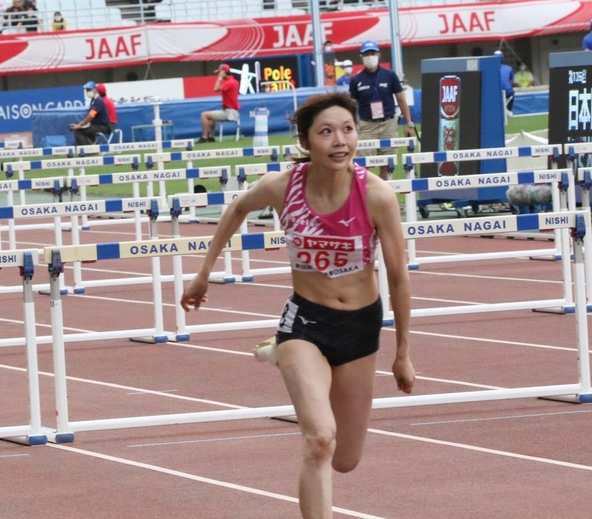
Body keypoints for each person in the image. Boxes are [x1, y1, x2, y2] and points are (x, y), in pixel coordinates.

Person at [180, 91, 415, 519]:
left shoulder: (377, 195)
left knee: (345, 459)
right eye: (326, 132)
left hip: (360, 326)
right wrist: (203, 272)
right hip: (306, 320)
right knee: (320, 439)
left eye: (347, 130)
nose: (340, 141)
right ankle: (286, 349)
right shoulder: (284, 186)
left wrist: (402, 354)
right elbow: (236, 208)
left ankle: (275, 353)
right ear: (307, 143)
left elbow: (398, 277)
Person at [348, 40, 414, 180]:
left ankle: (382, 194)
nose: (370, 56)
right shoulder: (356, 80)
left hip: (388, 123)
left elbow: (401, 99)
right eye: (366, 54)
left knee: (387, 163)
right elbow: (352, 106)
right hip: (367, 125)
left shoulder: (390, 75)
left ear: (378, 54)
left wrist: (409, 123)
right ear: (361, 56)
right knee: (363, 164)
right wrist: (350, 126)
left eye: (372, 53)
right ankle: (366, 193)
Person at [199, 64, 240, 144]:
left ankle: (204, 137)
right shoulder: (233, 81)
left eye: (219, 72)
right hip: (232, 111)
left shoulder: (230, 82)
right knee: (210, 119)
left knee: (204, 115)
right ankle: (211, 137)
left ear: (224, 72)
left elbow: (216, 89)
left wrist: (219, 78)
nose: (218, 74)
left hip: (229, 112)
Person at [68, 81, 111, 146]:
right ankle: (92, 148)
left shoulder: (98, 101)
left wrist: (80, 125)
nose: (87, 92)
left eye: (89, 90)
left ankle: (86, 150)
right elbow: (91, 117)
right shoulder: (93, 101)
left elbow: (91, 115)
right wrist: (81, 125)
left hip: (101, 127)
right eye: (87, 90)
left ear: (95, 90)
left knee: (78, 131)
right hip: (95, 125)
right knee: (82, 130)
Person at [494, 50, 516, 115]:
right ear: (503, 58)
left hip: (496, 93)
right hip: (508, 92)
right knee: (512, 93)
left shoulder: (491, 69)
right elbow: (511, 81)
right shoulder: (509, 68)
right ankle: (509, 110)